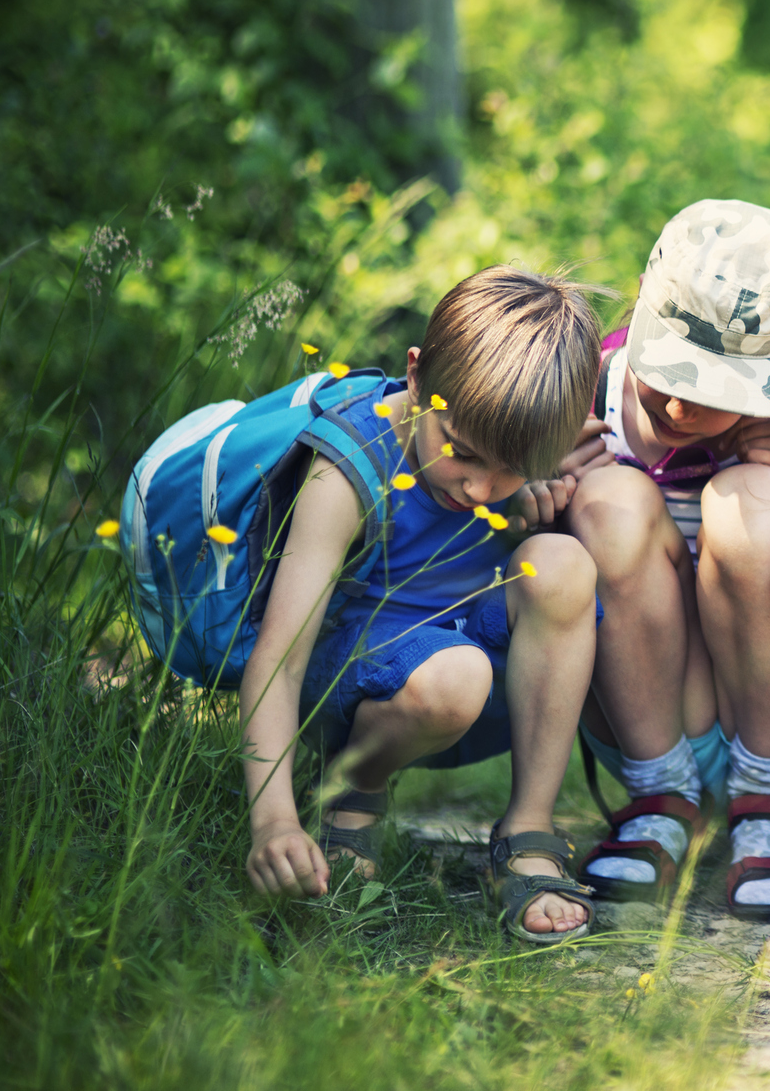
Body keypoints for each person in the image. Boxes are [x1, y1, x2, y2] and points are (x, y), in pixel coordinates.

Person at [557, 199, 770, 921]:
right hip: (644, 716)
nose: (681, 410)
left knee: (750, 498)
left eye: (715, 392)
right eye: (670, 375)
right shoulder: (584, 389)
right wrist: (542, 492)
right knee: (609, 497)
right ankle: (661, 794)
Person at [239, 265, 606, 943]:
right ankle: (352, 788)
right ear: (416, 374)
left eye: (508, 470)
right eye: (462, 454)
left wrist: (530, 510)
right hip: (352, 680)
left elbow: (508, 508)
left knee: (563, 563)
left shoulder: (508, 442)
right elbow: (279, 660)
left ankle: (528, 830)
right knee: (456, 676)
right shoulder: (351, 466)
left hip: (462, 655)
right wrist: (273, 822)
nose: (478, 488)